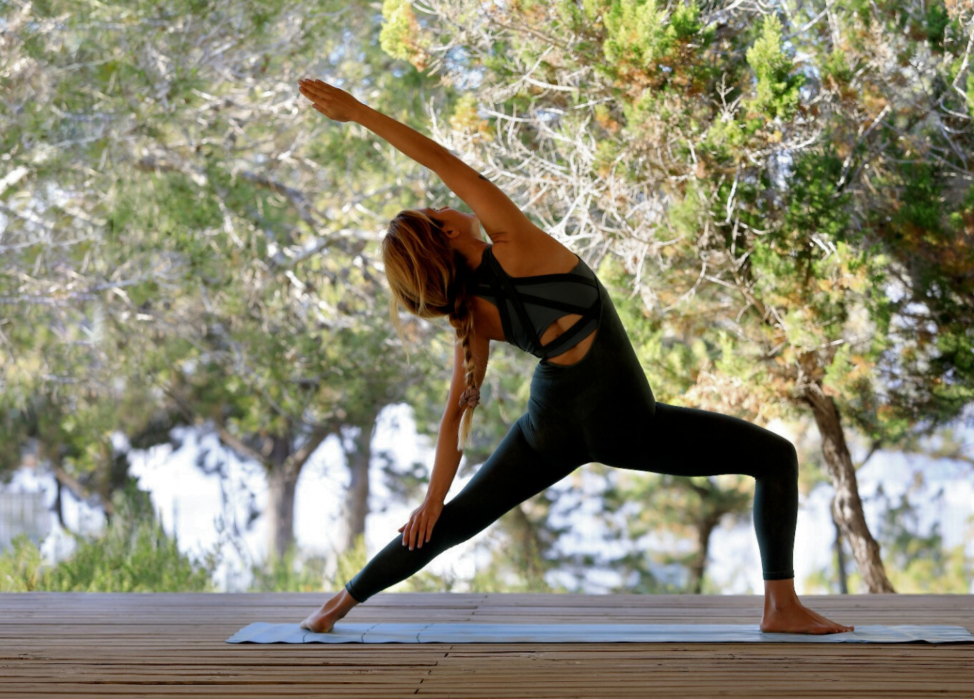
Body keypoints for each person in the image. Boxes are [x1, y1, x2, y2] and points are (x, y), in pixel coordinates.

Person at [295, 77, 854, 636]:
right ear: (444, 230)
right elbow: (441, 160)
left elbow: (456, 418)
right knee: (775, 457)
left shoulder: (471, 320)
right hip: (627, 422)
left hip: (554, 426)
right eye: (436, 205)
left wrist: (432, 499)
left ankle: (338, 605)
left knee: (451, 520)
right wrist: (360, 113)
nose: (445, 200)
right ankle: (780, 607)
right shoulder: (514, 240)